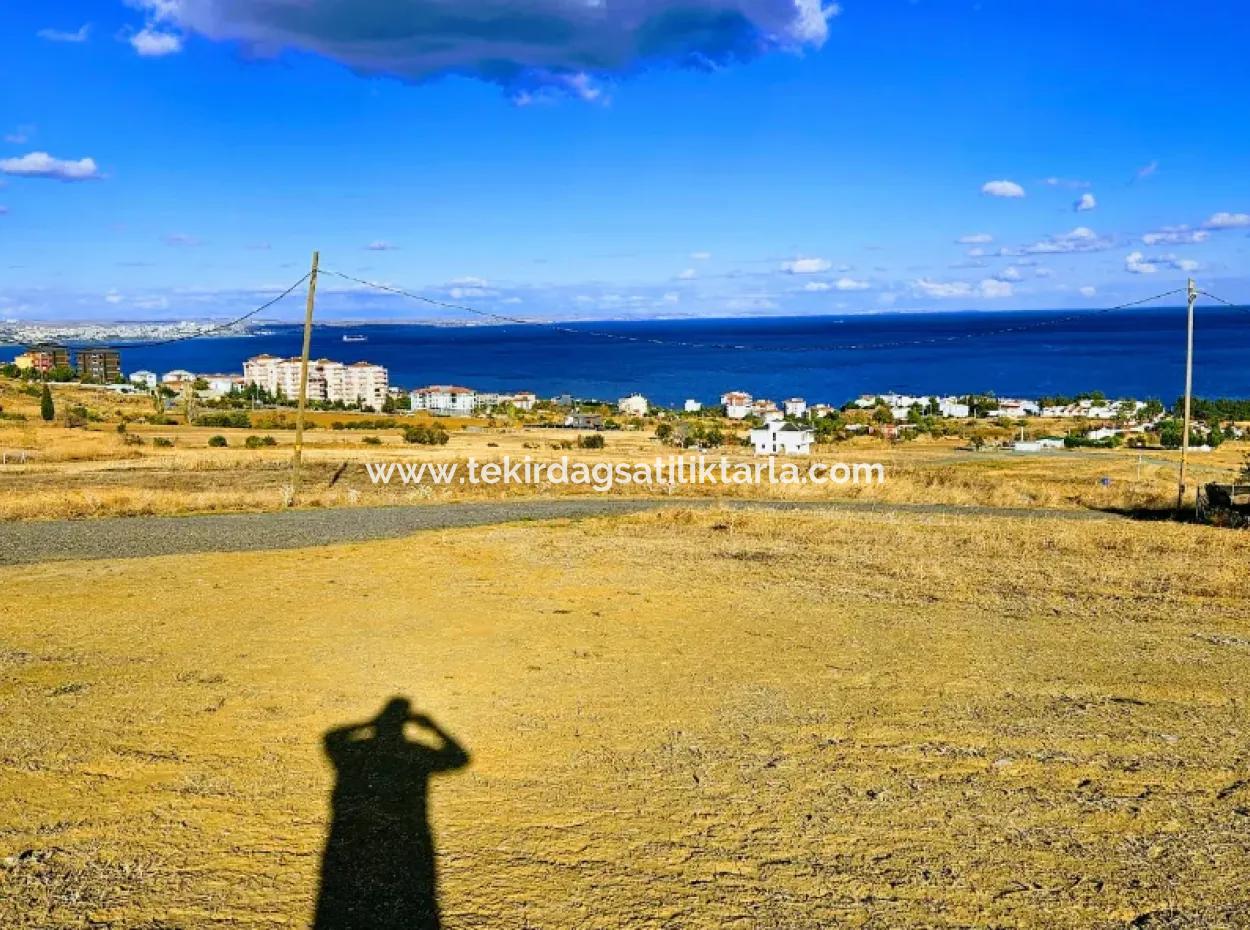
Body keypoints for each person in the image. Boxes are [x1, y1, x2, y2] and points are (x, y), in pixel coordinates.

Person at [314, 697, 470, 930]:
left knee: (346, 905)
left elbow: (331, 738)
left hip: (356, 839)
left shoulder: (356, 751)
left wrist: (369, 722)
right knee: (412, 907)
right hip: (407, 840)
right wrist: (432, 727)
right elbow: (459, 758)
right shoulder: (414, 754)